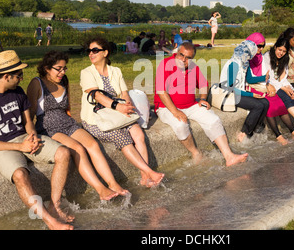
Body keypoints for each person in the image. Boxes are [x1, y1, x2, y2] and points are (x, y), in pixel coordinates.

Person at [0, 50, 73, 230]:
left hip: (24, 139)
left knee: (63, 152)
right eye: (19, 75)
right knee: (20, 175)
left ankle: (54, 206)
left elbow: (27, 122)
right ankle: (51, 222)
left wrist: (32, 135)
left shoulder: (17, 92)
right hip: (0, 147)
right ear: (7, 76)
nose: (22, 78)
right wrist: (20, 147)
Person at [27, 51, 127, 200]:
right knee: (78, 149)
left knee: (92, 144)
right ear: (47, 68)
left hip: (67, 123)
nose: (62, 72)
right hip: (48, 127)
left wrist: (71, 121)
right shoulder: (37, 83)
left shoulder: (64, 80)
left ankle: (112, 183)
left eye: (64, 68)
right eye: (58, 69)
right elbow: (30, 113)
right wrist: (32, 135)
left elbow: (66, 107)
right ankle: (100, 189)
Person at [80, 37, 164, 187]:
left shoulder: (116, 71)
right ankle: (149, 172)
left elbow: (124, 93)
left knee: (138, 134)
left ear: (105, 53)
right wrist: (117, 107)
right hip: (96, 119)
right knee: (122, 138)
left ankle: (144, 177)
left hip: (118, 114)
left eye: (94, 50)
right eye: (89, 51)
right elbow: (96, 95)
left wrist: (126, 104)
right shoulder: (86, 73)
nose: (90, 54)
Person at [155, 41, 248, 166]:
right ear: (176, 53)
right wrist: (175, 112)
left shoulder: (193, 67)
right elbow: (161, 92)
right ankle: (196, 153)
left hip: (191, 105)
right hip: (167, 107)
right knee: (180, 125)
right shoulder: (165, 64)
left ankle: (229, 156)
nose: (183, 60)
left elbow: (204, 84)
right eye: (181, 55)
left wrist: (203, 99)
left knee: (213, 120)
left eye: (188, 58)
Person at [246, 33, 294, 145]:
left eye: (262, 46)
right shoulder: (247, 57)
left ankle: (293, 131)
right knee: (269, 105)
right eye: (258, 45)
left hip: (264, 85)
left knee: (280, 104)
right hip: (253, 86)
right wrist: (266, 84)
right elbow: (250, 79)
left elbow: (268, 75)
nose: (260, 48)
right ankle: (278, 135)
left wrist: (268, 83)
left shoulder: (260, 57)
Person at [220, 38, 271, 143]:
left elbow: (249, 79)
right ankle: (244, 132)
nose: (251, 56)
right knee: (258, 105)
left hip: (239, 92)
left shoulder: (244, 63)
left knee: (265, 102)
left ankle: (256, 128)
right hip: (229, 94)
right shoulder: (233, 64)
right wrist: (252, 95)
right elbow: (231, 88)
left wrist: (263, 77)